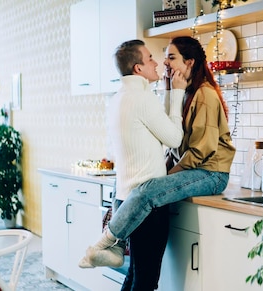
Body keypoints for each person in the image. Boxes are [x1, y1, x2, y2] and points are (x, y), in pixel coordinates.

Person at [80, 36, 236, 271]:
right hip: (194, 169)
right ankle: (115, 246)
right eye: (162, 57)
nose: (164, 62)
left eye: (171, 57)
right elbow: (168, 134)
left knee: (148, 190)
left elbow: (199, 151)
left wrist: (165, 176)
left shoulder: (205, 94)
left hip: (211, 173)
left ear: (190, 63)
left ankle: (106, 243)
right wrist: (170, 91)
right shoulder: (182, 92)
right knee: (135, 188)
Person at [76, 39, 186, 291]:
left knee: (135, 275)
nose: (156, 62)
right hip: (147, 204)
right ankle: (100, 247)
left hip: (125, 199)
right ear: (138, 68)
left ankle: (102, 247)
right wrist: (178, 92)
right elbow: (174, 138)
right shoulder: (142, 98)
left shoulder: (120, 97)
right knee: (146, 281)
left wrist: (169, 91)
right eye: (149, 58)